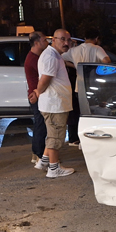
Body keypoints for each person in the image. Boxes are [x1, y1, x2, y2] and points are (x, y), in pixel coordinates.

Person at [32, 28, 75, 178]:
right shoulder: (51, 56)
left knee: (52, 134)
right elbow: (45, 80)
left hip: (55, 103)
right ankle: (54, 168)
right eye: (62, 39)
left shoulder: (54, 55)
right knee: (56, 136)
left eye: (68, 40)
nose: (66, 43)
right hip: (54, 104)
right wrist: (38, 92)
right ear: (53, 40)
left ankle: (44, 161)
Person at [61, 28, 110, 147]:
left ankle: (81, 139)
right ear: (97, 38)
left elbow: (61, 58)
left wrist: (75, 66)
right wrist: (97, 70)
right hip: (94, 86)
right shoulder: (97, 48)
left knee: (82, 113)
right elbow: (107, 61)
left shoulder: (74, 50)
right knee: (93, 112)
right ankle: (92, 138)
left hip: (79, 87)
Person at [24, 31, 49, 170]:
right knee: (41, 125)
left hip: (36, 94)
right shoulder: (34, 59)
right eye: (44, 40)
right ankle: (39, 154)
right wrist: (37, 93)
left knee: (40, 124)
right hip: (36, 95)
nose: (46, 43)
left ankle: (36, 153)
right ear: (37, 42)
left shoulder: (36, 57)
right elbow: (44, 78)